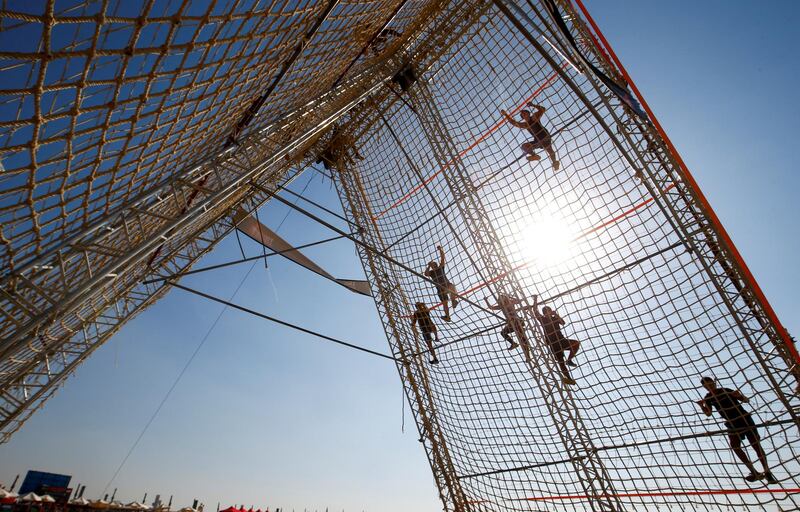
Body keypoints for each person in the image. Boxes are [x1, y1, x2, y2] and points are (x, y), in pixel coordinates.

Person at [696, 376, 776, 483]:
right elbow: (708, 413)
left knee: (755, 444)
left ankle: (767, 472)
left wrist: (738, 396)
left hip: (744, 418)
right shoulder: (708, 398)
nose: (710, 387)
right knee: (735, 446)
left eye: (711, 384)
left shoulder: (726, 390)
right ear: (705, 388)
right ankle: (754, 471)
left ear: (714, 383)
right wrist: (702, 406)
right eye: (707, 386)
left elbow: (746, 400)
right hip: (731, 423)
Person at [532, 294, 579, 385]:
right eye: (547, 312)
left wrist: (556, 315)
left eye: (549, 311)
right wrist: (535, 300)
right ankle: (569, 378)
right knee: (561, 362)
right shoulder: (543, 319)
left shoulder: (555, 318)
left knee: (576, 343)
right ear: (545, 313)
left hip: (561, 340)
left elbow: (563, 323)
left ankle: (569, 360)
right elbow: (535, 311)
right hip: (553, 344)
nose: (548, 313)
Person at [500, 102, 560, 171]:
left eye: (524, 112)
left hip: (545, 136)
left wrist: (533, 105)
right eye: (522, 114)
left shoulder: (534, 117)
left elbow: (543, 109)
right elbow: (513, 123)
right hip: (537, 141)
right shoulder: (525, 125)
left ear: (529, 114)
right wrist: (505, 115)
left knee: (550, 150)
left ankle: (555, 162)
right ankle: (534, 156)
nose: (523, 113)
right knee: (524, 146)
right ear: (522, 117)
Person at [485, 294, 533, 364]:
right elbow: (491, 307)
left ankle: (528, 356)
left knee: (522, 339)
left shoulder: (511, 301)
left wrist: (509, 297)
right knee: (503, 333)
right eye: (500, 299)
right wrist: (486, 300)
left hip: (517, 321)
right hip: (511, 323)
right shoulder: (501, 306)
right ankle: (513, 343)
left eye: (502, 298)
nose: (501, 300)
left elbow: (519, 301)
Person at [424, 245, 458, 322]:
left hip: (446, 284)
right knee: (445, 303)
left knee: (452, 286)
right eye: (432, 265)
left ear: (436, 265)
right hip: (440, 288)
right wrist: (428, 265)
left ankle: (453, 301)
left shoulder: (440, 267)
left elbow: (442, 258)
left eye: (433, 265)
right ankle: (447, 317)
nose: (433, 266)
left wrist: (440, 250)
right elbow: (425, 274)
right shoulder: (431, 272)